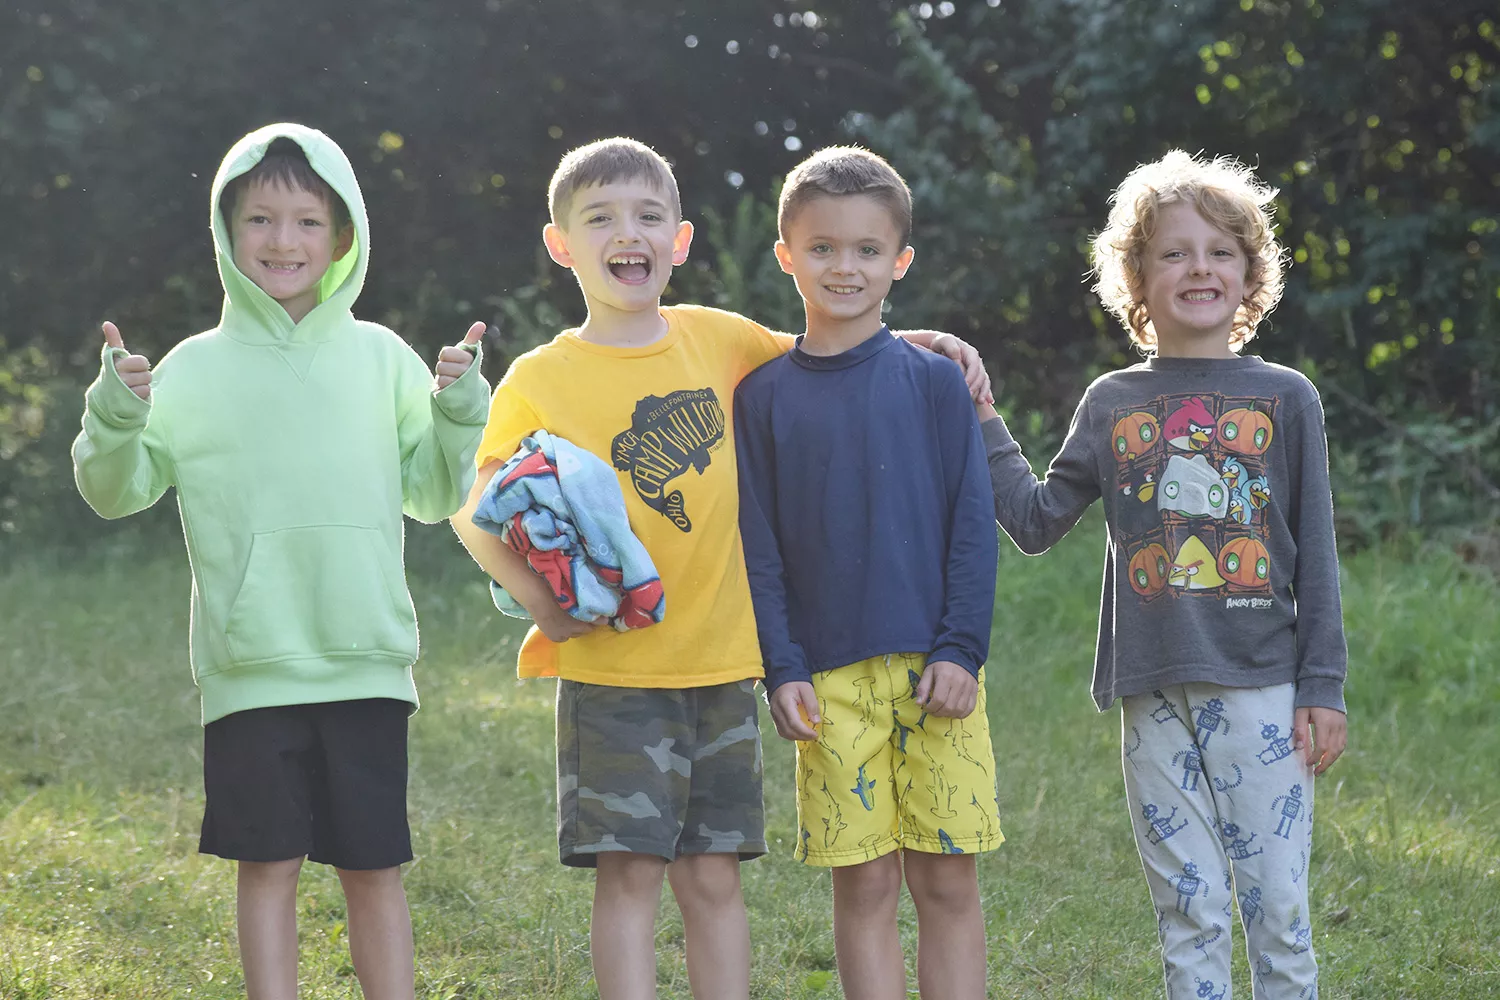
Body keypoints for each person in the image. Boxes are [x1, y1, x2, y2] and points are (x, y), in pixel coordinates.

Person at [447, 136, 988, 1000]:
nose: (630, 233)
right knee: (628, 875)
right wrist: (544, 611)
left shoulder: (720, 339)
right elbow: (478, 515)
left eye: (649, 216)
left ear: (681, 239)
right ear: (562, 246)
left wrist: (930, 343)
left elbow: (833, 351)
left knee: (712, 878)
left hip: (724, 669)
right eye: (602, 219)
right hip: (614, 676)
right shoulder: (541, 376)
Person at [72, 123, 490, 1000]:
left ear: (342, 237)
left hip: (366, 663)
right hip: (250, 669)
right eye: (261, 219)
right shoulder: (191, 370)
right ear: (229, 232)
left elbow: (432, 493)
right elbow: (118, 491)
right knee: (266, 867)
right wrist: (114, 416)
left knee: (373, 869)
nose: (283, 240)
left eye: (306, 221)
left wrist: (455, 415)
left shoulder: (381, 358)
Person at [979, 149, 1348, 999]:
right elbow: (1036, 522)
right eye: (1174, 252)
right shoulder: (1113, 400)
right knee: (1189, 907)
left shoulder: (1286, 397)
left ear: (1250, 275)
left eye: (1220, 252)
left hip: (1261, 683)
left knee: (1278, 910)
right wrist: (984, 418)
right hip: (1151, 691)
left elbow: (1319, 552)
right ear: (1135, 278)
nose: (1199, 269)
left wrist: (1321, 685)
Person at [734, 146, 1001, 1000]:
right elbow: (759, 546)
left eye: (866, 250)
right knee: (867, 884)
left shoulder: (935, 383)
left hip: (938, 672)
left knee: (947, 881)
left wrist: (962, 649)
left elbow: (972, 527)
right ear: (786, 255)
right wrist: (782, 668)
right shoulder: (762, 396)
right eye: (822, 248)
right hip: (829, 680)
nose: (844, 266)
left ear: (900, 261)